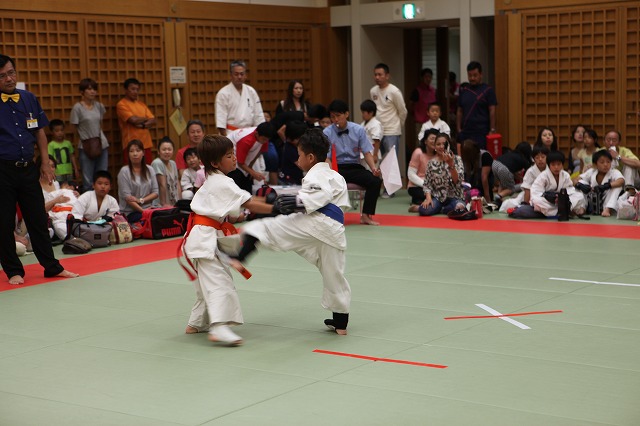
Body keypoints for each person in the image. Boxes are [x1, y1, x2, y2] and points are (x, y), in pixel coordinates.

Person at [231, 128, 352, 335]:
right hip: (334, 231)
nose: (297, 159)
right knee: (334, 273)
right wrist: (296, 201)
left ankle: (240, 257)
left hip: (316, 223)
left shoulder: (316, 174)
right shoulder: (335, 176)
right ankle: (341, 323)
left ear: (310, 157)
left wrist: (296, 201)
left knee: (266, 227)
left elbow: (318, 195)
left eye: (300, 155)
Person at [182, 134, 287, 345]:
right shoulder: (222, 182)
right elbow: (248, 203)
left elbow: (246, 199)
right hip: (205, 238)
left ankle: (196, 323)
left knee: (207, 283)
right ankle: (219, 328)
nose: (234, 158)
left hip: (204, 237)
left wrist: (269, 202)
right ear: (215, 163)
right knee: (220, 282)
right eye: (229, 155)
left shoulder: (215, 180)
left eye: (233, 154)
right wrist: (275, 208)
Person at [0, 54, 78, 284]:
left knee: (37, 218)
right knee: (4, 223)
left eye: (11, 73)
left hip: (28, 169)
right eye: (2, 76)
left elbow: (40, 133)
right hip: (3, 170)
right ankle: (13, 270)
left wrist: (44, 162)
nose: (9, 78)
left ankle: (52, 266)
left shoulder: (28, 98)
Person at [323, 100, 382, 225]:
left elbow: (367, 152)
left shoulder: (358, 130)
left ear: (346, 114)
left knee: (375, 181)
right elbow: (327, 157)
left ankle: (366, 215)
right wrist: (331, 172)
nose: (335, 119)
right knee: (325, 183)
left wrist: (373, 169)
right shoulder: (327, 132)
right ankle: (330, 216)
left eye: (338, 116)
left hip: (355, 167)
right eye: (332, 117)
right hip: (336, 168)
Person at [370, 63, 407, 196]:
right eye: (375, 74)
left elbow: (403, 111)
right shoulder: (373, 91)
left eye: (380, 74)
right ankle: (375, 187)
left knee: (390, 161)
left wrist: (398, 126)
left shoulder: (394, 91)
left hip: (392, 130)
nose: (377, 77)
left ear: (387, 76)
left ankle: (389, 190)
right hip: (377, 131)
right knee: (376, 159)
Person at [69, 78, 109, 192]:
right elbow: (74, 127)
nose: (93, 92)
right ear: (82, 91)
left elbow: (100, 123)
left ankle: (102, 200)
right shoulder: (77, 108)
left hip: (101, 143)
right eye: (89, 89)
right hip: (85, 144)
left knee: (102, 176)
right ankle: (89, 202)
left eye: (94, 89)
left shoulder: (99, 106)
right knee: (87, 179)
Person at [418, 133, 466, 216]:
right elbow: (427, 184)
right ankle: (442, 209)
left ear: (448, 145)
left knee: (459, 207)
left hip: (455, 197)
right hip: (438, 198)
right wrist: (428, 198)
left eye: (444, 144)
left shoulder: (457, 159)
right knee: (424, 210)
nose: (441, 146)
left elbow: (457, 181)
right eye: (438, 144)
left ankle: (443, 209)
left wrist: (451, 165)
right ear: (435, 147)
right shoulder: (431, 163)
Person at [215, 60, 265, 136]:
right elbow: (220, 119)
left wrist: (260, 134)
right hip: (231, 133)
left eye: (242, 74)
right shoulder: (223, 93)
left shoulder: (251, 91)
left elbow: (258, 115)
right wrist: (226, 138)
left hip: (251, 133)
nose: (239, 77)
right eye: (236, 74)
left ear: (245, 75)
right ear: (230, 75)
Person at [456, 61, 498, 150]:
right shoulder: (464, 90)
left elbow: (492, 110)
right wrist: (459, 129)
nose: (472, 78)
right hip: (466, 131)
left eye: (475, 75)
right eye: (470, 75)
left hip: (482, 131)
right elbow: (459, 111)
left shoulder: (488, 90)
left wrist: (492, 129)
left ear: (481, 74)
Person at [531, 150, 586, 217]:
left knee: (579, 195)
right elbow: (535, 192)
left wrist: (561, 197)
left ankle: (561, 210)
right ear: (549, 165)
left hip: (562, 201)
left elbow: (570, 189)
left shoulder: (565, 175)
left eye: (559, 164)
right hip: (548, 202)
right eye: (553, 165)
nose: (556, 167)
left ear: (562, 165)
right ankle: (563, 211)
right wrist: (546, 196)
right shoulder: (543, 176)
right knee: (537, 201)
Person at [226, 122, 276, 193]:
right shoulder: (245, 140)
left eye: (267, 140)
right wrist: (253, 173)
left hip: (243, 154)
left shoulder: (264, 137)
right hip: (232, 151)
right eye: (264, 139)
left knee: (248, 182)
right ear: (256, 134)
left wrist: (250, 168)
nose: (265, 141)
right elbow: (240, 163)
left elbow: (259, 152)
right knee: (237, 180)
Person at [117, 139, 159, 223]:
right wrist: (144, 212)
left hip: (149, 208)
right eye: (131, 151)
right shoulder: (124, 171)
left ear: (143, 153)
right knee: (151, 221)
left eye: (138, 150)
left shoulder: (150, 169)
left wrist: (140, 200)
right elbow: (128, 199)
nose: (135, 154)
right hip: (130, 212)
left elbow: (155, 192)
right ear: (128, 154)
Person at [39, 155, 79, 240]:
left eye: (53, 166)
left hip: (62, 213)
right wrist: (55, 201)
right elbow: (38, 210)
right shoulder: (35, 186)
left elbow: (64, 200)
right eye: (48, 166)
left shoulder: (56, 183)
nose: (51, 169)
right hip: (47, 218)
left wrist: (73, 195)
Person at [116, 78, 156, 164]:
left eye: (137, 89)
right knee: (132, 170)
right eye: (133, 89)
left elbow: (153, 120)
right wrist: (146, 118)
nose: (135, 92)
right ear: (126, 90)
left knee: (147, 169)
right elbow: (133, 120)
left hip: (146, 144)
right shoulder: (122, 104)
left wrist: (143, 125)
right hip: (131, 145)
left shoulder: (141, 104)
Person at [500, 145, 549, 212]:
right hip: (530, 196)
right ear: (534, 159)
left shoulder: (551, 169)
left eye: (543, 157)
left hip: (547, 196)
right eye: (537, 157)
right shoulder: (531, 171)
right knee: (512, 205)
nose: (540, 159)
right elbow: (527, 189)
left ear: (547, 157)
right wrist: (526, 204)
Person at [575, 150, 624, 217]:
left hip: (606, 199)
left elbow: (621, 181)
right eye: (602, 162)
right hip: (592, 200)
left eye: (608, 162)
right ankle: (582, 208)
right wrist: (580, 185)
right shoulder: (591, 171)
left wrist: (606, 186)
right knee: (580, 183)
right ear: (595, 164)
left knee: (617, 187)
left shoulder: (614, 172)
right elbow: (575, 180)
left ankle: (607, 209)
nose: (606, 165)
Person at [407, 128, 438, 212]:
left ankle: (419, 204)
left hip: (434, 186)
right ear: (425, 141)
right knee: (437, 196)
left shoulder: (439, 154)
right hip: (417, 186)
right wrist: (427, 185)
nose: (434, 141)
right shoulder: (418, 152)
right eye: (432, 139)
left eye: (436, 139)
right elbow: (411, 175)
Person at [47, 119, 79, 185]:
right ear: (52, 132)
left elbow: (72, 156)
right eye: (57, 131)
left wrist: (75, 169)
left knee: (70, 187)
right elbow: (50, 159)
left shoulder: (68, 143)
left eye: (62, 130)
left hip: (69, 171)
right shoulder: (51, 145)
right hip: (57, 173)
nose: (60, 133)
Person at [151, 137, 181, 207]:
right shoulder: (157, 163)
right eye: (164, 149)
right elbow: (162, 185)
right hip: (160, 204)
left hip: (173, 202)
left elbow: (177, 183)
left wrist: (180, 201)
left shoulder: (173, 163)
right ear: (158, 151)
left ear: (173, 151)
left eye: (169, 149)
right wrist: (164, 204)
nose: (167, 152)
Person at [279, 120, 308, 185]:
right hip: (287, 180)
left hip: (295, 178)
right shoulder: (289, 148)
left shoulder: (296, 146)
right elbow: (301, 165)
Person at [360, 99, 383, 164]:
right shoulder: (363, 124)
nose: (362, 115)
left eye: (363, 113)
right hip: (364, 152)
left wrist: (375, 155)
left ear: (371, 113)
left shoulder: (376, 124)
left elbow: (377, 141)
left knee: (372, 170)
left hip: (372, 152)